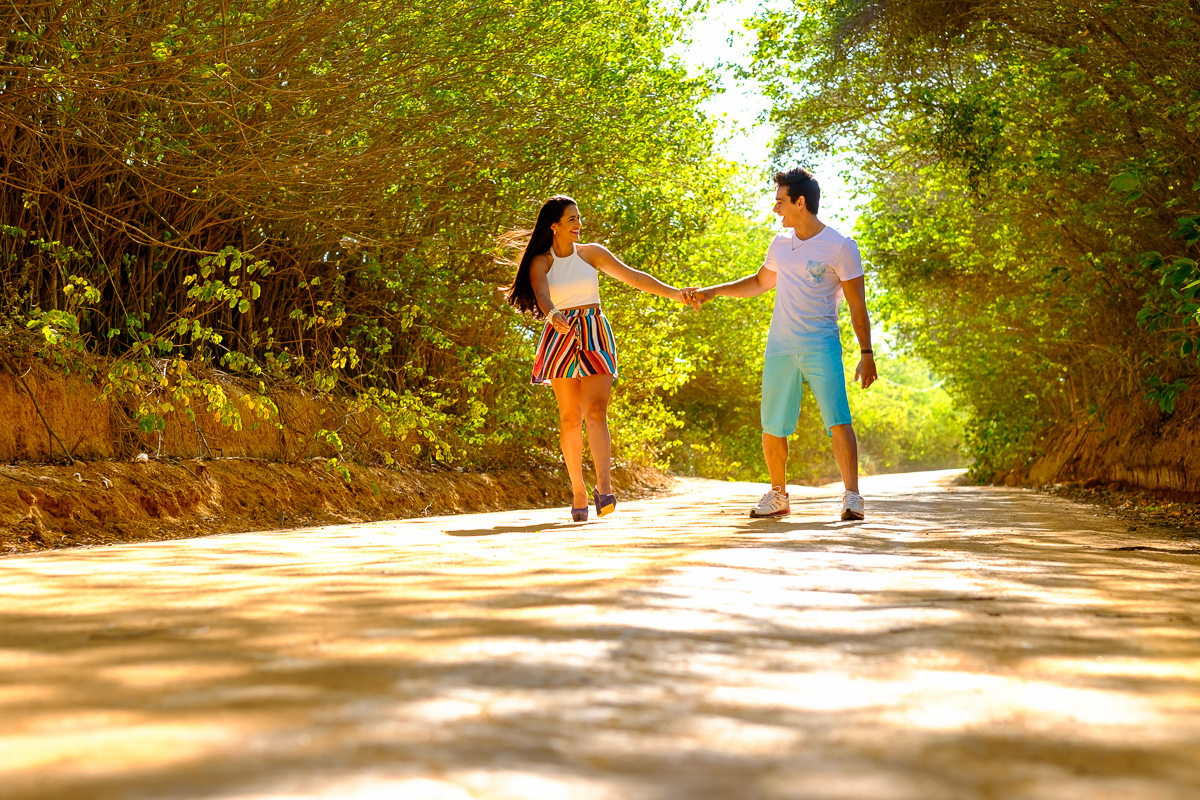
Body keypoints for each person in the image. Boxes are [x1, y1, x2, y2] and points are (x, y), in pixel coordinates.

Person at [684, 168, 877, 521]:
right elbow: (760, 282)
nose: (775, 208)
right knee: (772, 425)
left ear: (800, 202)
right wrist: (714, 291)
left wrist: (866, 353)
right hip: (780, 348)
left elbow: (857, 306)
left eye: (780, 202)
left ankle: (852, 497)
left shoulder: (841, 247)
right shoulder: (780, 244)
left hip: (821, 346)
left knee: (838, 419)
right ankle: (778, 495)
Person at [505, 195, 687, 522]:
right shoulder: (541, 261)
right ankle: (578, 490)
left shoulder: (591, 253)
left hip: (594, 330)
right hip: (560, 332)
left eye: (579, 218)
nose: (579, 224)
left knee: (596, 410)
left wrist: (675, 293)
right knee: (569, 417)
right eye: (572, 219)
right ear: (554, 226)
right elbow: (542, 294)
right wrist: (552, 314)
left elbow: (634, 277)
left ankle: (604, 486)